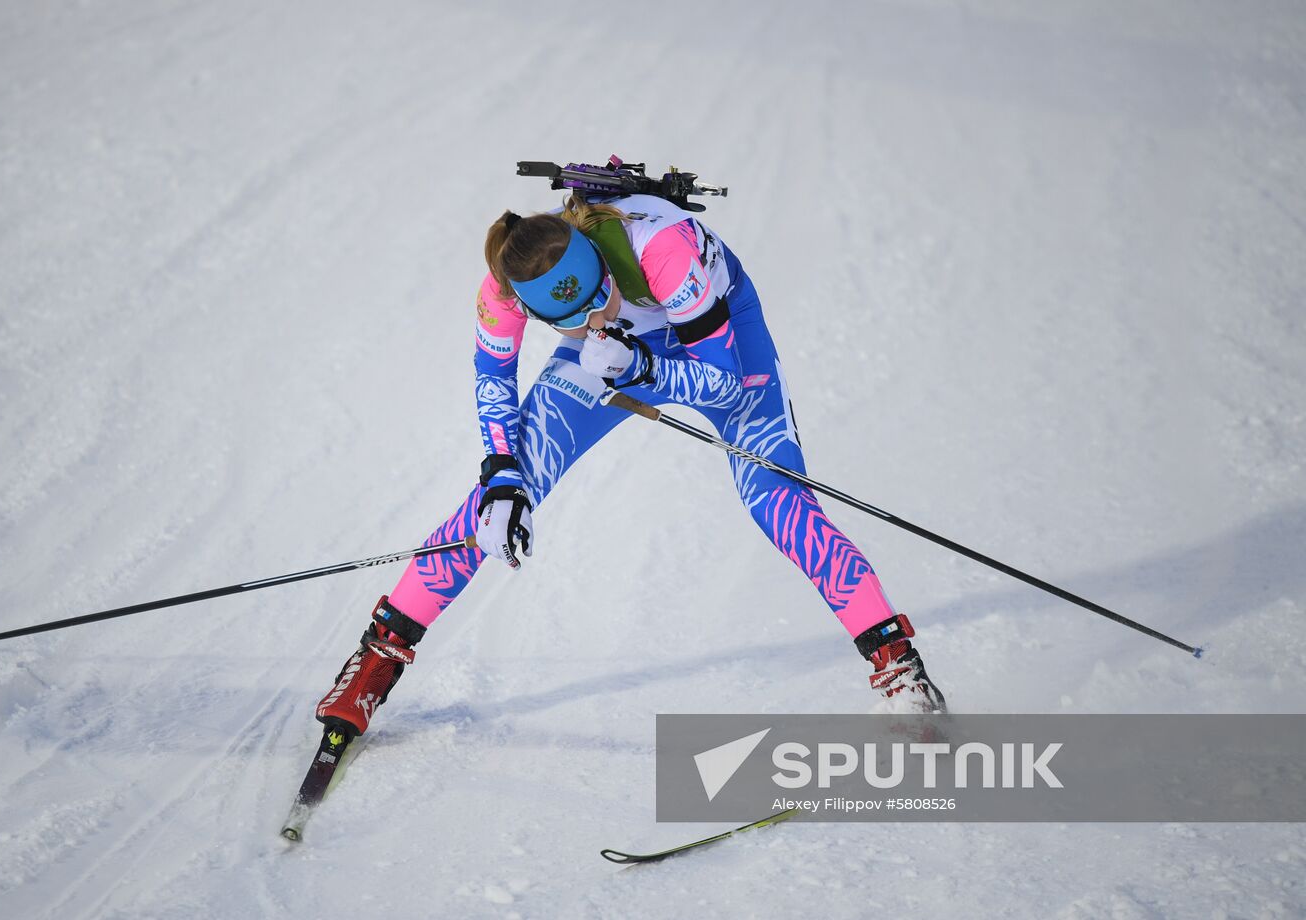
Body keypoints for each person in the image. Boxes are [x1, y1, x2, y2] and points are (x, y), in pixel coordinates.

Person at [313, 191, 946, 741]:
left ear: (598, 260)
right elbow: (493, 380)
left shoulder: (661, 249)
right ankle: (374, 666)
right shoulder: (504, 288)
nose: (596, 319)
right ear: (534, 312)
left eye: (599, 298)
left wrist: (642, 367)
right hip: (609, 359)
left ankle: (900, 668)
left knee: (777, 503)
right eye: (572, 320)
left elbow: (725, 386)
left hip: (718, 336)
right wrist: (502, 474)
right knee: (496, 506)